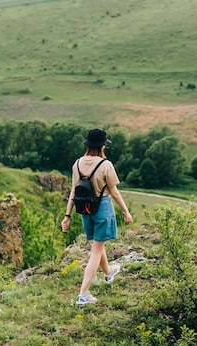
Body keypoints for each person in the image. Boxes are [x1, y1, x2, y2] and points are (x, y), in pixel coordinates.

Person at [61, 128, 133, 305]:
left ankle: (109, 274)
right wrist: (125, 211)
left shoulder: (77, 163)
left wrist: (67, 215)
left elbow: (73, 191)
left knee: (98, 245)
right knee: (96, 250)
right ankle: (83, 294)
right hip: (102, 208)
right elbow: (114, 192)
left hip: (85, 210)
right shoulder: (105, 165)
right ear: (102, 146)